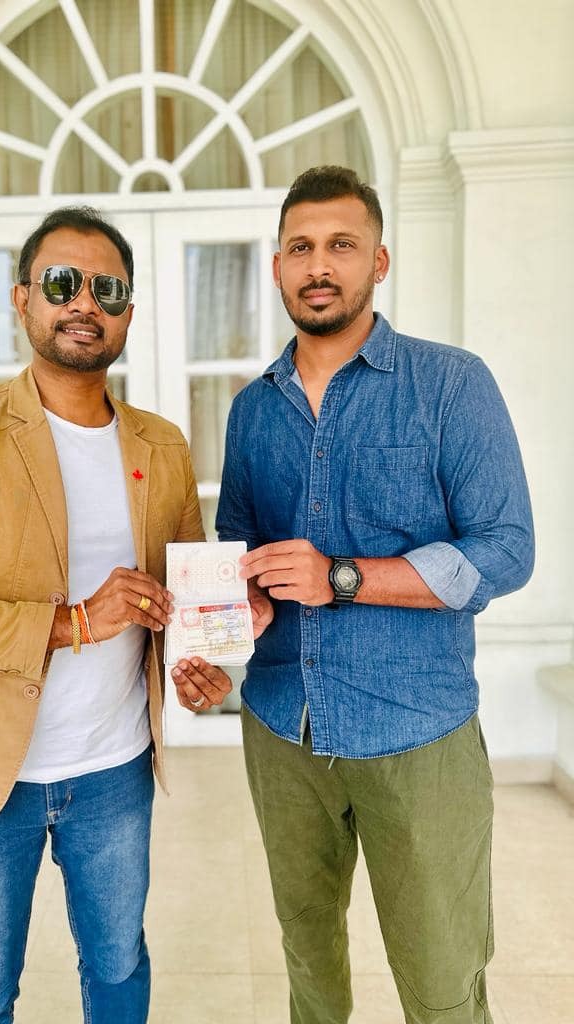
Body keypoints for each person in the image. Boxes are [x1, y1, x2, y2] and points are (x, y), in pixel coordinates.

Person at [0, 206, 237, 1024]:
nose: (84, 302)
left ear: (128, 312)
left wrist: (197, 660)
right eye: (62, 283)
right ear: (22, 298)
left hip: (116, 768)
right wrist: (71, 624)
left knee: (119, 963)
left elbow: (178, 593)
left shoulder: (162, 444)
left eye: (108, 289)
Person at [214, 166, 534, 1023]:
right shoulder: (251, 412)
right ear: (277, 267)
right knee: (309, 965)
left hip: (417, 731)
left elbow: (506, 551)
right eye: (301, 247)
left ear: (379, 261)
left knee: (442, 980)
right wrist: (240, 611)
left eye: (341, 245)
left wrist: (342, 577)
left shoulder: (451, 384)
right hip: (283, 729)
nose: (319, 265)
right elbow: (238, 555)